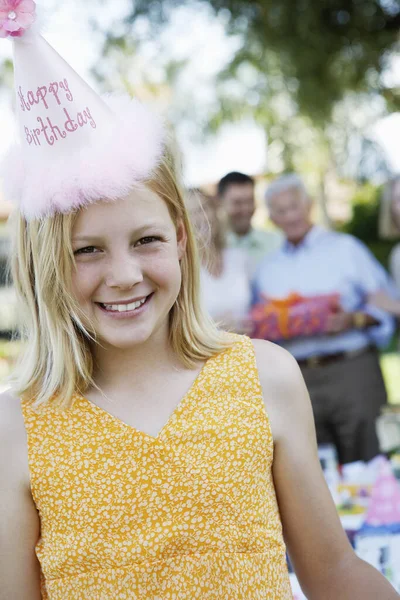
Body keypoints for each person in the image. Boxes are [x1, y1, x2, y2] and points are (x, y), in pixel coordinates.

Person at [1, 11, 399, 600]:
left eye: (147, 240)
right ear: (42, 267)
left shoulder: (264, 376)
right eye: (86, 250)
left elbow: (333, 572)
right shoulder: (18, 426)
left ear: (182, 240)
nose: (124, 275)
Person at [253, 173, 395, 466]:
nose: (290, 216)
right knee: (313, 472)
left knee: (370, 462)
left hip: (352, 370)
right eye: (280, 211)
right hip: (297, 379)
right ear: (273, 218)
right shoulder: (267, 269)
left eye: (294, 206)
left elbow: (385, 309)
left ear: (309, 206)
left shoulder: (346, 249)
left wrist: (352, 319)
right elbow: (259, 326)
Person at [187, 188, 252, 333]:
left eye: (204, 208)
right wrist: (216, 326)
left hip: (248, 349)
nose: (201, 217)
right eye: (191, 213)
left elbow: (257, 310)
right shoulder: (183, 270)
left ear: (214, 211)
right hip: (207, 353)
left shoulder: (240, 258)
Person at [218, 171, 282, 274]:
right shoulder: (214, 249)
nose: (245, 209)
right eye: (237, 203)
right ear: (220, 203)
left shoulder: (277, 243)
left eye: (249, 201)